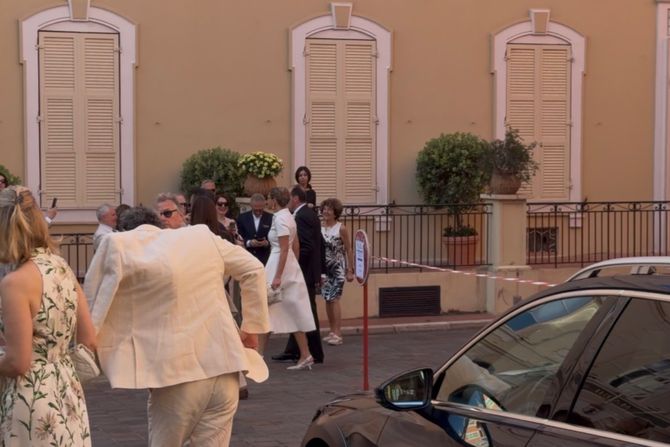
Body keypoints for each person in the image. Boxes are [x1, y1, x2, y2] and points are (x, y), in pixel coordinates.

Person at [84, 206, 270, 446]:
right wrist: (251, 330)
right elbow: (254, 269)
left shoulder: (121, 245)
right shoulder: (201, 237)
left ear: (125, 231)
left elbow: (95, 303)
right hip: (225, 367)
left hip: (177, 376)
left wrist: (85, 348)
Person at [0, 186, 97, 445]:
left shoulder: (15, 282)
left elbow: (18, 362)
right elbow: (89, 339)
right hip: (68, 391)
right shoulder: (61, 266)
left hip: (30, 398)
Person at [261, 187, 316, 371]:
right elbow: (296, 245)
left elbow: (285, 248)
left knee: (267, 309)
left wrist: (278, 275)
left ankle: (258, 356)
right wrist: (294, 266)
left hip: (279, 265)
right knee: (291, 310)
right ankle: (305, 354)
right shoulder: (289, 216)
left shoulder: (279, 218)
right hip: (288, 265)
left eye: (269, 198)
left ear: (274, 200)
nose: (267, 201)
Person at [272, 186, 325, 364]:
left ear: (295, 198)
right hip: (303, 270)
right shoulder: (303, 215)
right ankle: (297, 351)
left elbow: (303, 246)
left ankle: (312, 353)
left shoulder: (300, 216)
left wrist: (292, 267)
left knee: (303, 312)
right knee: (297, 310)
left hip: (301, 271)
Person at [320, 198, 355, 345]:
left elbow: (348, 249)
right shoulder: (320, 228)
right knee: (327, 299)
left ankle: (338, 334)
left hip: (337, 268)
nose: (326, 212)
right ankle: (332, 331)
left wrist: (350, 270)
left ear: (336, 213)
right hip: (324, 269)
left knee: (334, 299)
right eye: (324, 209)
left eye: (329, 209)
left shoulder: (341, 228)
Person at [236, 193, 273, 265]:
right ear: (251, 206)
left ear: (264, 206)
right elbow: (239, 237)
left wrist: (266, 243)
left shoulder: (271, 218)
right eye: (255, 210)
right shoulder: (242, 218)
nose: (258, 212)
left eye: (260, 210)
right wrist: (249, 242)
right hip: (247, 257)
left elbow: (274, 239)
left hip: (264, 258)